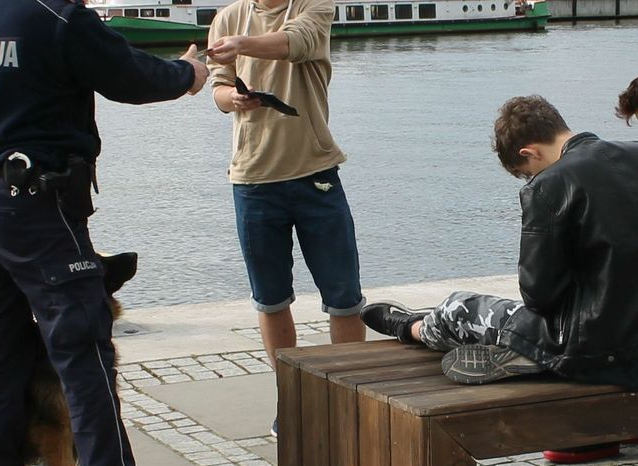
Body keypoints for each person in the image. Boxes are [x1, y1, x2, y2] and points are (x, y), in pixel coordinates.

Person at [0, 0, 208, 466]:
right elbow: (130, 76)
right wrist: (189, 74)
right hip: (40, 202)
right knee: (83, 341)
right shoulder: (57, 16)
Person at [361, 95, 638, 396]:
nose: (532, 178)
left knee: (457, 309)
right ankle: (527, 353)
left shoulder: (549, 185)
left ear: (529, 153)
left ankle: (410, 327)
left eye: (528, 172)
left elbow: (539, 295)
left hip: (591, 349)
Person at [205, 0, 366, 437]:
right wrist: (232, 98)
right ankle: (291, 400)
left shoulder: (313, 5)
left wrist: (242, 44)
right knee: (271, 299)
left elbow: (298, 42)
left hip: (317, 174)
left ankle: (349, 398)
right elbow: (217, 89)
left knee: (344, 296)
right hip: (252, 180)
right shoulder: (226, 16)